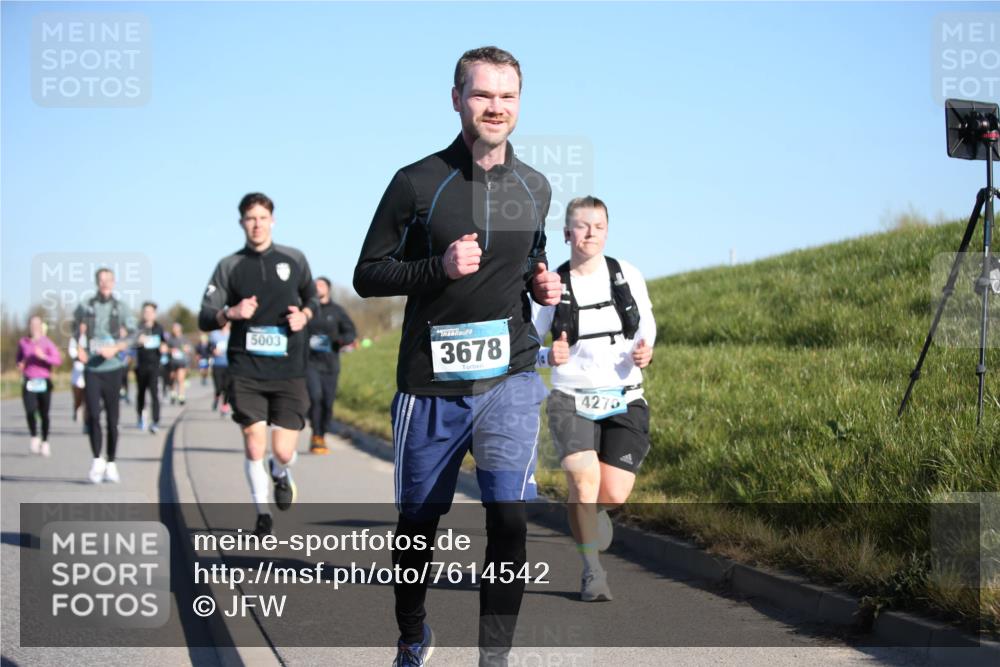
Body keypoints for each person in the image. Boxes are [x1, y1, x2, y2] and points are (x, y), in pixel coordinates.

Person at [353, 46, 561, 667]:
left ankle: (493, 658)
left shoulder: (536, 186)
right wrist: (436, 267)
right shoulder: (416, 182)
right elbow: (368, 274)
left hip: (510, 377)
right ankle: (413, 634)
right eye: (482, 94)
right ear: (456, 98)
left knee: (509, 518)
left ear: (519, 104)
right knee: (418, 526)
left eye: (507, 96)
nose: (495, 107)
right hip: (431, 383)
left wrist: (540, 282)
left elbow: (528, 259)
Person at [532, 196, 656, 602]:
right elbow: (528, 343)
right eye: (582, 226)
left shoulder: (627, 275)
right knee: (582, 484)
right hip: (571, 395)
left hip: (624, 395)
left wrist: (646, 350)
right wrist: (548, 355)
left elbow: (647, 327)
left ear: (606, 231)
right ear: (567, 233)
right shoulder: (551, 285)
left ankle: (595, 514)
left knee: (613, 494)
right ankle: (592, 572)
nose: (590, 234)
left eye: (598, 226)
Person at [199, 192, 319, 538]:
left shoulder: (294, 259)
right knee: (254, 443)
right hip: (246, 369)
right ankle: (262, 513)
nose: (256, 224)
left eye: (262, 218)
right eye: (250, 218)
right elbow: (204, 315)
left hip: (288, 369)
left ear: (273, 220)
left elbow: (313, 298)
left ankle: (280, 472)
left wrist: (305, 315)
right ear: (241, 223)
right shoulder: (229, 266)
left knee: (282, 451)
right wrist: (230, 313)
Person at [73, 267, 137, 484]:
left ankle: (111, 462)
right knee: (92, 415)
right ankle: (97, 458)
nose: (105, 284)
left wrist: (117, 347)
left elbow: (134, 334)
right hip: (92, 367)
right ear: (96, 282)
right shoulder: (86, 306)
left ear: (114, 282)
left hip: (112, 367)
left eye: (108, 280)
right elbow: (74, 329)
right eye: (101, 280)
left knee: (112, 419)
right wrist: (78, 348)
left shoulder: (121, 308)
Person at [305, 276, 356, 454]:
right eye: (315, 285)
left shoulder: (337, 311)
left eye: (321, 284)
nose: (317, 287)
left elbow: (350, 331)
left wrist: (341, 341)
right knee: (315, 397)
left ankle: (322, 433)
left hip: (330, 364)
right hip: (310, 362)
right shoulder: (307, 310)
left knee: (327, 402)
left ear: (328, 288)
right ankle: (316, 434)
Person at [17, 315, 62, 457]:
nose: (34, 327)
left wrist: (43, 357)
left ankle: (45, 441)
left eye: (37, 324)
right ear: (29, 326)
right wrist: (20, 364)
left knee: (44, 413)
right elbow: (19, 358)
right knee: (30, 411)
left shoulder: (47, 342)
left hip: (43, 381)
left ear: (41, 326)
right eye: (32, 324)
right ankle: (34, 437)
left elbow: (57, 360)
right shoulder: (23, 342)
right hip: (29, 380)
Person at [134, 301, 166, 434]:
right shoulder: (138, 328)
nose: (148, 314)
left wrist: (164, 347)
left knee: (154, 393)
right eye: (145, 312)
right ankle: (141, 417)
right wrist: (137, 341)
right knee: (141, 394)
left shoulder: (159, 328)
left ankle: (155, 421)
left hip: (154, 366)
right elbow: (130, 343)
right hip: (141, 365)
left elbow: (164, 343)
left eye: (150, 312)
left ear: (154, 314)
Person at [68, 321, 88, 428]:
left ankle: (86, 423)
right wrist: (80, 355)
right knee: (78, 396)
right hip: (78, 368)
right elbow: (72, 353)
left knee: (88, 399)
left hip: (89, 369)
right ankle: (76, 408)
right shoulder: (74, 339)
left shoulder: (90, 337)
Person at [209, 321, 232, 416]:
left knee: (227, 387)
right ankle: (217, 397)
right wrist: (213, 350)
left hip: (229, 364)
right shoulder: (214, 334)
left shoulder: (232, 334)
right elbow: (208, 347)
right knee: (218, 387)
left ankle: (224, 405)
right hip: (217, 364)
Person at [167, 322, 191, 405]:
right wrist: (171, 350)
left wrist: (186, 349)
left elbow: (189, 349)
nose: (175, 330)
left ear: (180, 329)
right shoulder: (170, 339)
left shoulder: (184, 338)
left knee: (181, 379)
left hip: (182, 361)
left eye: (176, 328)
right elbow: (166, 349)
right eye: (174, 328)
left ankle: (181, 396)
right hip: (172, 362)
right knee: (172, 378)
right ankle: (173, 393)